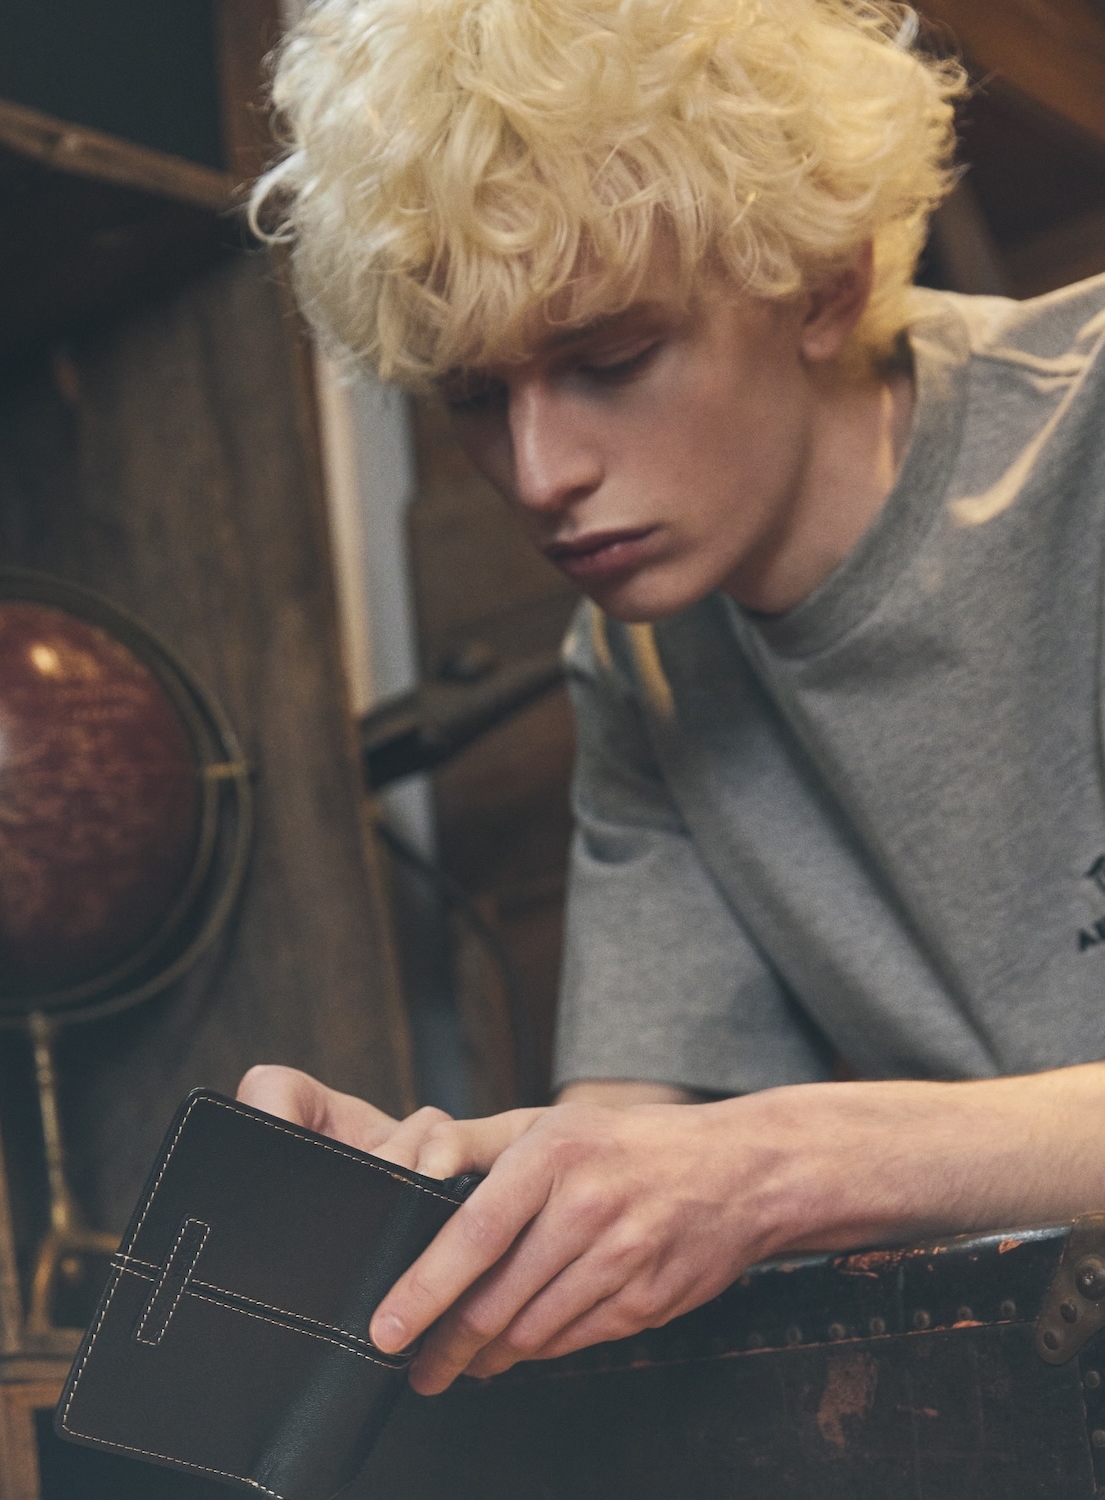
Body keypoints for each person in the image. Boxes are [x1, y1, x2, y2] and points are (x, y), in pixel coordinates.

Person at [241, 0, 1105, 1400]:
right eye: (473, 397)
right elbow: (641, 1146)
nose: (540, 475)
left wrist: (777, 1168)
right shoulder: (636, 665)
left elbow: (736, 1170)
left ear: (821, 282)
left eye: (609, 362)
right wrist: (431, 1194)